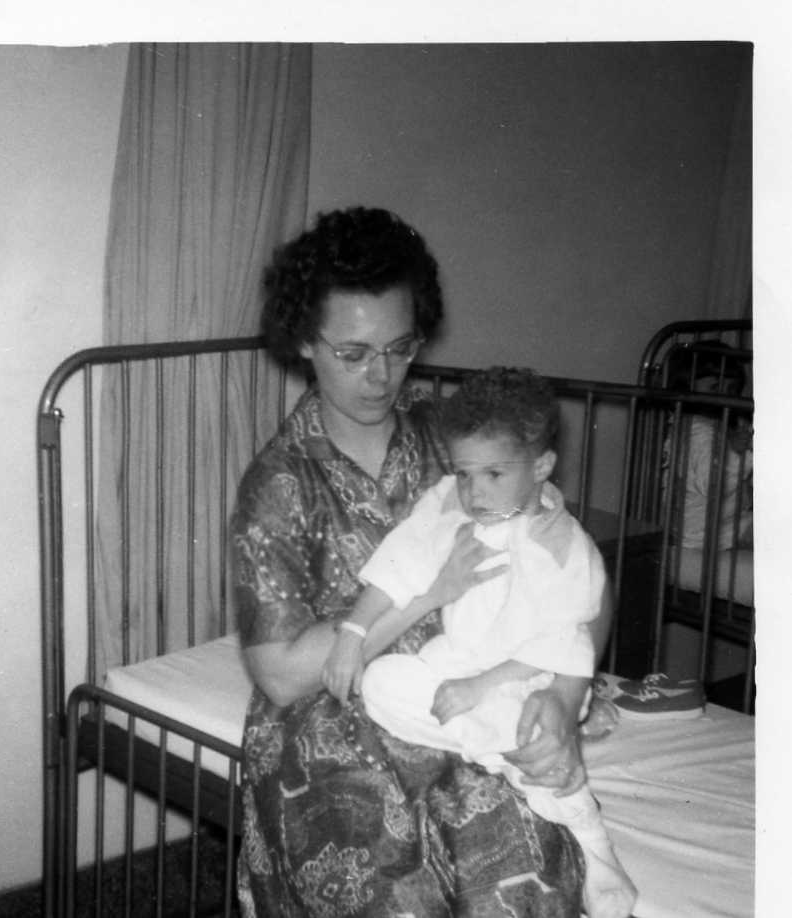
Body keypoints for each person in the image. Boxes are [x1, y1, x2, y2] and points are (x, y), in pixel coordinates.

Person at [230, 206, 613, 917]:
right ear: (304, 344)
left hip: (465, 690)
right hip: (329, 719)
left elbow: (575, 576)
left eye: (400, 349)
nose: (381, 376)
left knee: (525, 859)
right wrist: (427, 596)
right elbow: (281, 675)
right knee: (393, 880)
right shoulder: (280, 485)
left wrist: (560, 701)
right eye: (353, 353)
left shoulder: (457, 441)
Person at [322, 367, 636, 918]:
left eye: (493, 474)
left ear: (541, 466)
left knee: (531, 722)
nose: (475, 491)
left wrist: (480, 688)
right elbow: (402, 564)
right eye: (465, 473)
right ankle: (506, 760)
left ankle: (587, 831)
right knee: (381, 683)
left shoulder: (563, 543)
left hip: (530, 678)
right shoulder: (450, 503)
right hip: (459, 662)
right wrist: (352, 633)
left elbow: (565, 643)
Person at [664, 345, 753, 605]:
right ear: (686, 387)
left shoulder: (705, 426)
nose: (725, 398)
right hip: (701, 535)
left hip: (717, 524)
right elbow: (713, 483)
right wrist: (744, 454)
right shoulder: (698, 432)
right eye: (715, 388)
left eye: (731, 390)